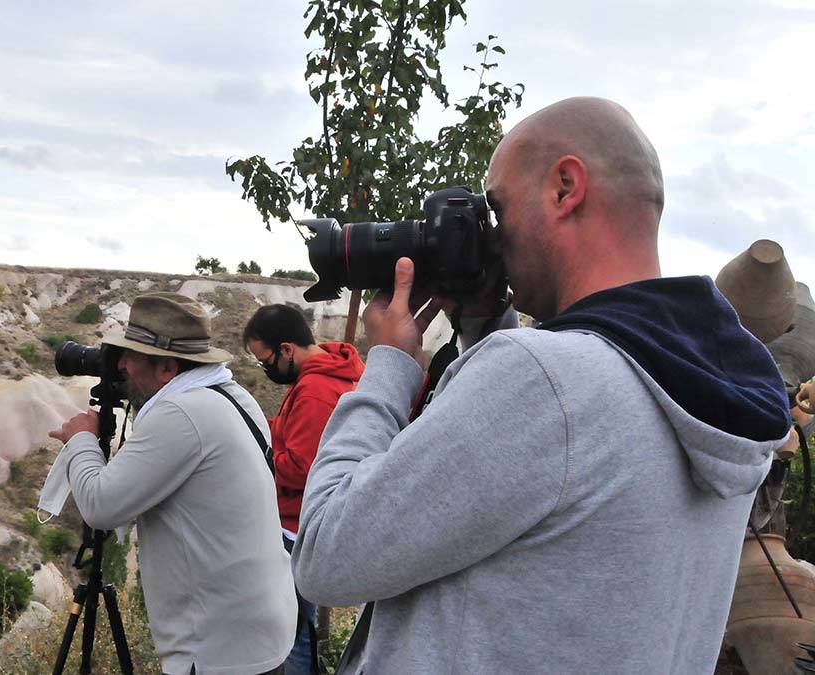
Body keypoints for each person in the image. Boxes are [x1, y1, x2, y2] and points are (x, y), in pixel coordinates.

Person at [290, 97, 792, 673]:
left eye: (498, 210)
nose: (492, 238)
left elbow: (326, 557)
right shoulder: (710, 381)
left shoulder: (545, 381)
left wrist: (386, 367)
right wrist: (482, 329)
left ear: (565, 187)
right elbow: (546, 539)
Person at [49, 292, 296, 675]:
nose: (122, 366)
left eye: (130, 356)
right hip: (257, 632)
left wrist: (81, 438)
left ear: (166, 368)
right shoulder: (232, 395)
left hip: (217, 651)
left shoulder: (181, 412)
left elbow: (100, 507)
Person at [242, 304, 363, 673]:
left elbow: (301, 467)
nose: (267, 370)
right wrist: (263, 427)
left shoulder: (314, 391)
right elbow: (296, 436)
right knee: (297, 626)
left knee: (289, 634)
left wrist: (258, 453)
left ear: (287, 350)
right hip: (313, 521)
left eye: (266, 361)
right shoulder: (338, 370)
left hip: (293, 527)